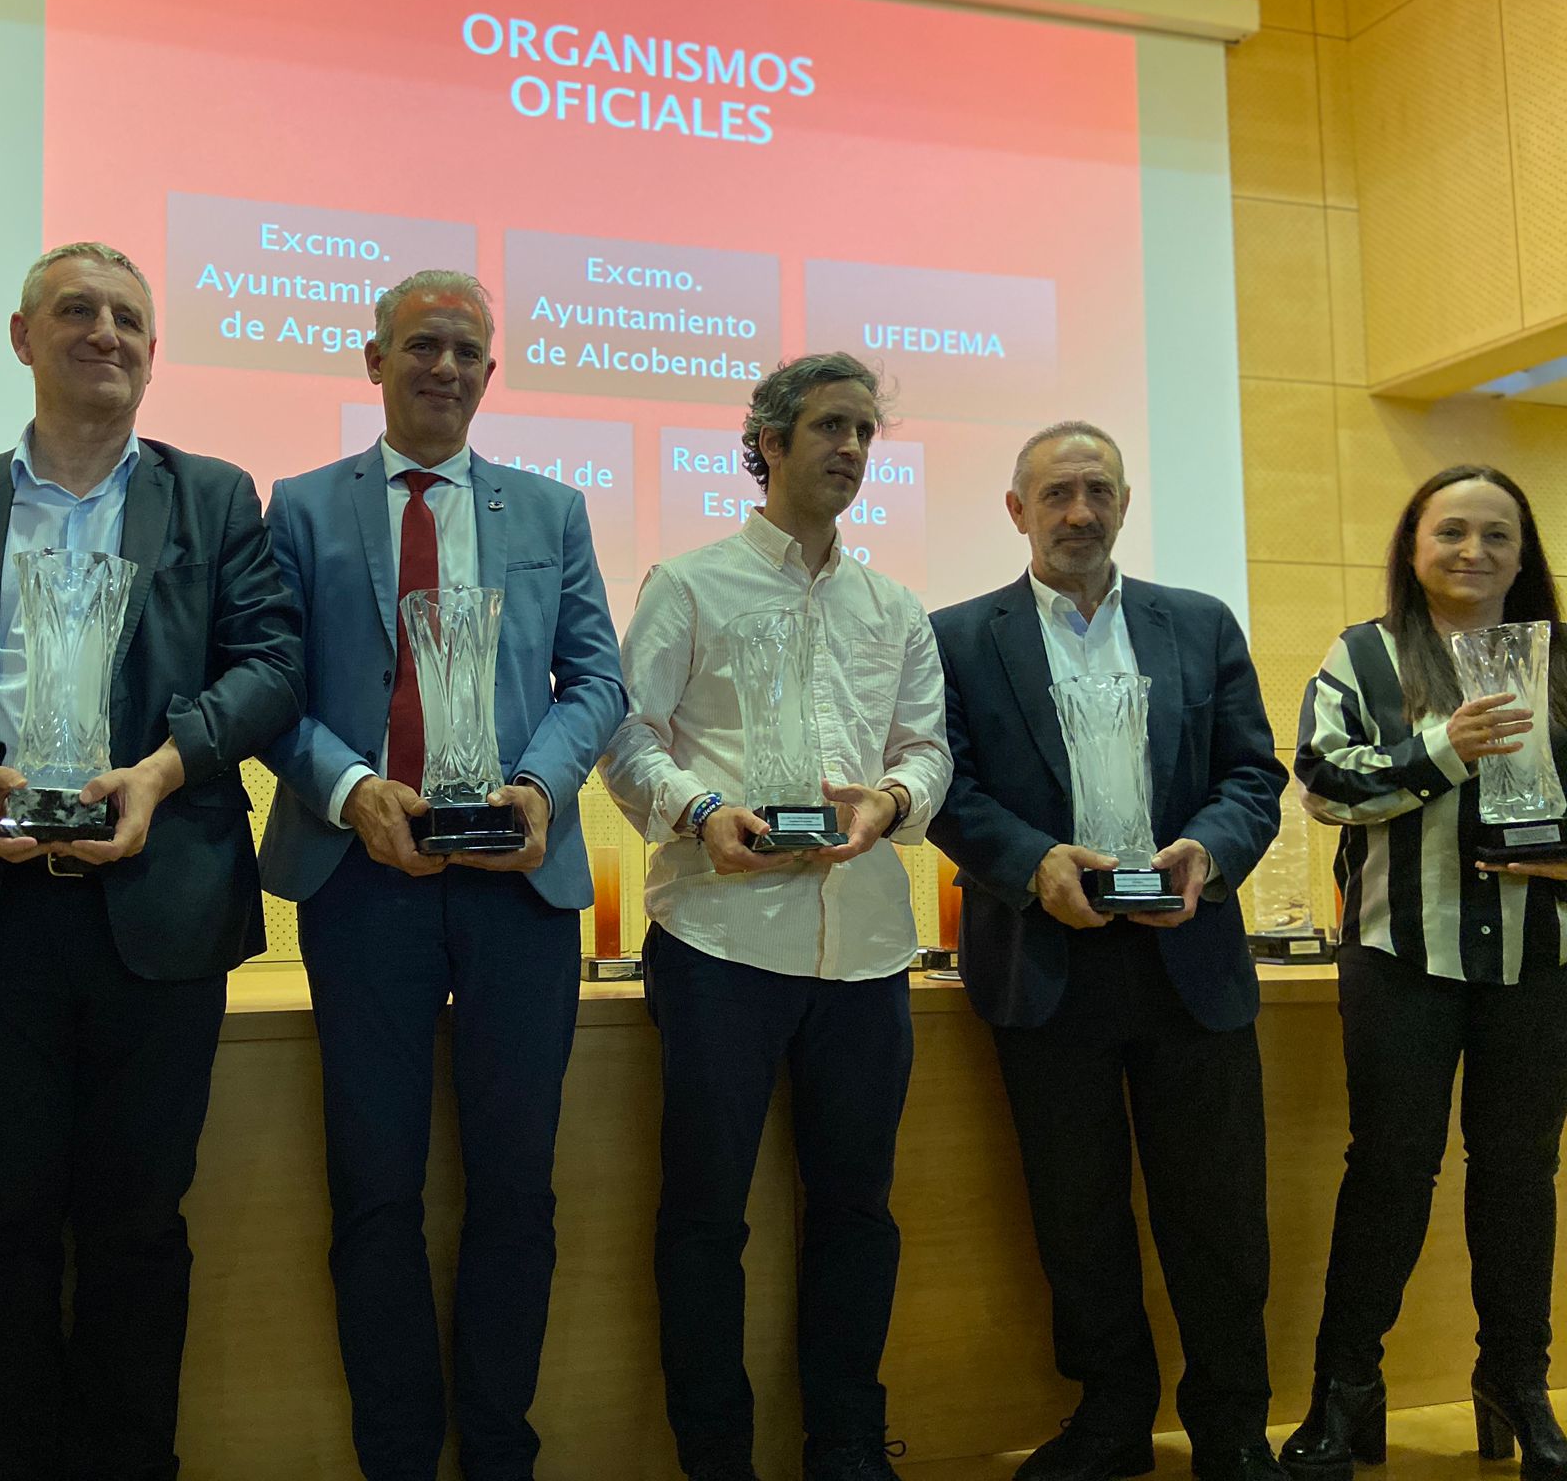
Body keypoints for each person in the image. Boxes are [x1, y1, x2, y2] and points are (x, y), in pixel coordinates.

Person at [0, 241, 303, 1481]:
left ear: (152, 354)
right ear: (22, 338)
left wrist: (161, 771)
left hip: (159, 914)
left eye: (126, 318)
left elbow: (268, 669)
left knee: (139, 1235)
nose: (102, 332)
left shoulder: (214, 497)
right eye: (75, 311)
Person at [258, 269, 625, 1481]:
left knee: (516, 1191)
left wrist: (539, 787)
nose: (445, 368)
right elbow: (273, 693)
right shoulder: (302, 508)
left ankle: (501, 1454)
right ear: (374, 362)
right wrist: (355, 793)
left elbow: (597, 684)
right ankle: (398, 1456)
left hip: (519, 881)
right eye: (421, 345)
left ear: (488, 372)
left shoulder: (551, 509)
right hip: (363, 883)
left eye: (467, 350)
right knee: (374, 1193)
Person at [601, 353, 951, 1481]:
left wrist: (891, 804)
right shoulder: (689, 583)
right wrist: (698, 809)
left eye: (863, 431)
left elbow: (926, 750)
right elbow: (624, 734)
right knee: (705, 1215)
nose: (849, 449)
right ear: (764, 443)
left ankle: (846, 1447)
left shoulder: (892, 605)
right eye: (827, 429)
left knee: (856, 1209)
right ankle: (716, 1458)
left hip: (863, 949)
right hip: (718, 941)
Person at [926, 421, 1287, 1481]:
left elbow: (1250, 779)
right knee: (1076, 1216)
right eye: (1056, 494)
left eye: (1097, 490)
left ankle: (1229, 1424)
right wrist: (1033, 860)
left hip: (1189, 961)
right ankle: (1111, 1416)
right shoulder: (955, 636)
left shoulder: (1198, 623)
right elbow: (948, 785)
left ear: (1123, 503)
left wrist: (1206, 855)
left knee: (1217, 1215)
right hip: (1045, 961)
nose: (1078, 511)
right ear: (1016, 511)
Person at [1284, 465, 1567, 1481]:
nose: (1472, 552)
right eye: (1449, 531)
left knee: (1519, 1180)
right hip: (1399, 955)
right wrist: (1442, 746)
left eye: (1496, 535)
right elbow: (1321, 786)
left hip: (1539, 961)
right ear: (1411, 546)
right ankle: (1342, 1395)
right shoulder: (1360, 656)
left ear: (1522, 554)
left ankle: (1515, 1384)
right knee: (1389, 1175)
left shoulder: (1562, 662)